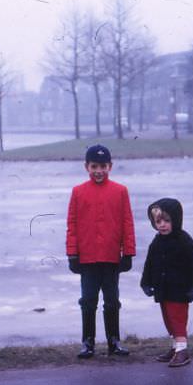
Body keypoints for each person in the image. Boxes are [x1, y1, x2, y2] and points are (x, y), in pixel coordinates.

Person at [66, 144, 136, 358]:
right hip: (87, 259)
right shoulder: (78, 192)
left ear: (110, 166)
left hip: (111, 258)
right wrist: (72, 254)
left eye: (103, 166)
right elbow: (72, 224)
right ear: (86, 166)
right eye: (94, 166)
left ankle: (113, 341)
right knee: (88, 301)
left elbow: (127, 223)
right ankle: (87, 343)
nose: (99, 171)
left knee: (112, 301)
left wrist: (129, 253)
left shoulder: (120, 191)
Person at [140, 198, 193, 368]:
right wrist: (145, 282)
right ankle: (176, 347)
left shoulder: (184, 240)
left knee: (177, 319)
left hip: (179, 289)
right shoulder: (156, 241)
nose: (162, 225)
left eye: (167, 221)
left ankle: (182, 351)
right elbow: (149, 263)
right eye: (158, 221)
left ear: (176, 219)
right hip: (162, 288)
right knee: (168, 319)